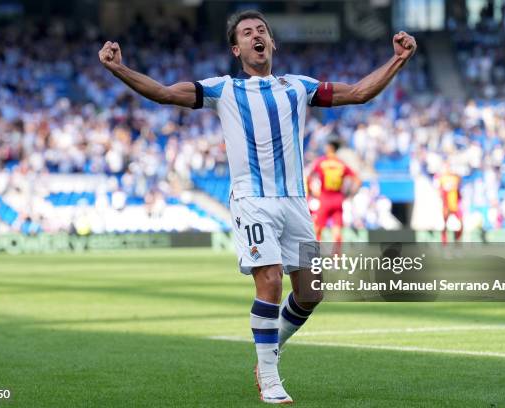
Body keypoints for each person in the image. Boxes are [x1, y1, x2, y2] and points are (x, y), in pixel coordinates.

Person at [99, 9, 416, 404]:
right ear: (237, 48)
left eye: (261, 30)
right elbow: (164, 92)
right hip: (252, 200)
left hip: (295, 202)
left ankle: (272, 349)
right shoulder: (222, 89)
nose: (255, 36)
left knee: (312, 291)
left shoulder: (298, 87)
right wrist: (118, 69)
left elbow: (359, 93)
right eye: (247, 33)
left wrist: (399, 58)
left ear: (272, 43)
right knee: (269, 280)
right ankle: (269, 377)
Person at [308, 140, 361, 244]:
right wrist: (350, 194)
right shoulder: (341, 164)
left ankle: (313, 256)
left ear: (329, 148)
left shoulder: (321, 162)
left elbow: (309, 176)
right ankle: (336, 259)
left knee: (317, 229)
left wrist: (312, 192)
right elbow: (357, 180)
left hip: (325, 198)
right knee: (337, 232)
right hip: (338, 199)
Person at [435, 162, 462, 244]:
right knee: (444, 225)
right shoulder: (440, 178)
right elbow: (438, 190)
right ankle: (444, 243)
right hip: (445, 206)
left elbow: (459, 189)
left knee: (459, 224)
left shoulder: (456, 177)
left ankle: (457, 242)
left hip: (455, 205)